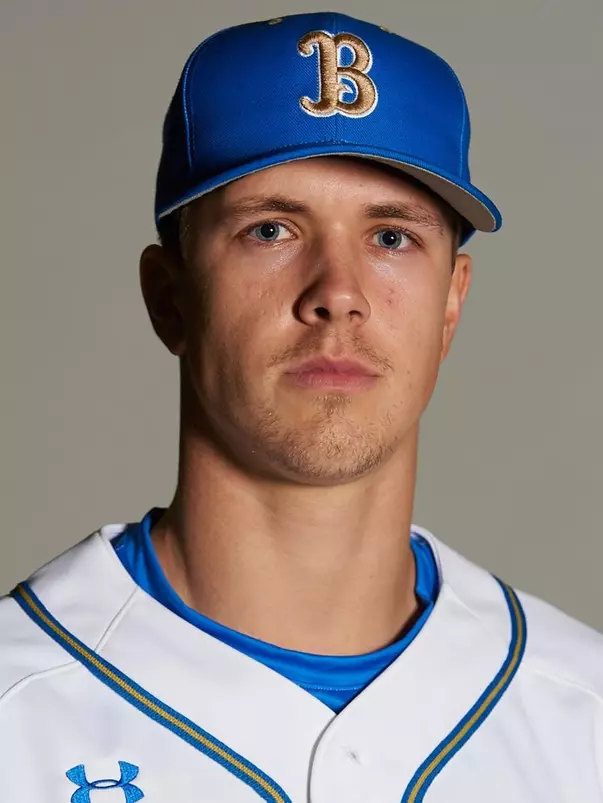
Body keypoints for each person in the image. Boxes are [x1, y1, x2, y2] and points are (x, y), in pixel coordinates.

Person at [1, 11, 601, 802]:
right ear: (167, 296)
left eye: (391, 237)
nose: (338, 295)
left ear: (450, 305)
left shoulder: (583, 718)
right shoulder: (19, 709)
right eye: (271, 229)